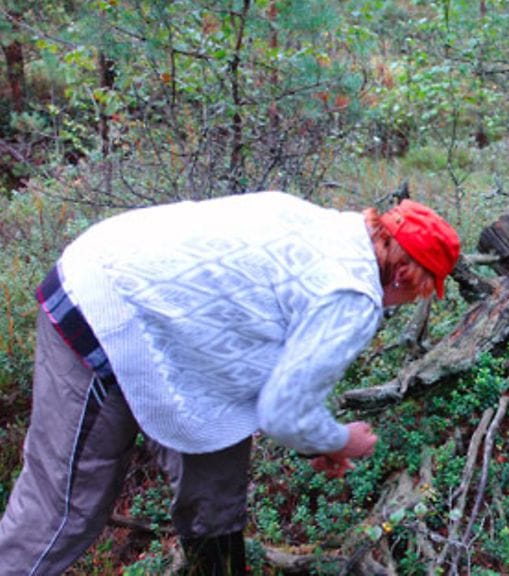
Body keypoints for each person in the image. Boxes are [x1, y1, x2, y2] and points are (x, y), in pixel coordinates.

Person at [0, 192, 461, 575]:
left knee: (215, 488)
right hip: (98, 305)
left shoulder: (333, 233)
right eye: (418, 291)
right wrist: (344, 440)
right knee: (66, 510)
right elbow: (284, 413)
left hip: (164, 326)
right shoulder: (353, 293)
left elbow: (281, 378)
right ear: (405, 274)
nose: (402, 303)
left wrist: (313, 442)